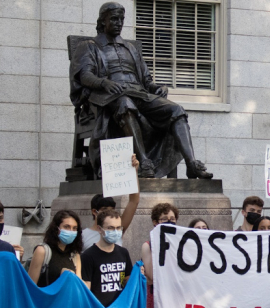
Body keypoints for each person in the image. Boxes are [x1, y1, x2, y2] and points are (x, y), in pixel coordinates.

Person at [70, 2, 212, 179]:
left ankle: (191, 163)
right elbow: (85, 76)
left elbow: (146, 80)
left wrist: (156, 87)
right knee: (125, 104)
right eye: (114, 19)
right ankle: (144, 163)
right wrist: (104, 83)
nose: (119, 23)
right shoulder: (89, 46)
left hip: (139, 93)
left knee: (177, 110)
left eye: (121, 19)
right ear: (102, 21)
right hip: (110, 96)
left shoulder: (130, 48)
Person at [82, 155, 140, 251]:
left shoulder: (117, 230)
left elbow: (134, 201)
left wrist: (134, 172)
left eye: (112, 210)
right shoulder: (83, 236)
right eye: (104, 210)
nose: (108, 214)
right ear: (94, 211)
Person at [81, 210, 133, 307]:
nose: (115, 231)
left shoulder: (123, 253)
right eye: (110, 228)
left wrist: (138, 275)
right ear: (99, 229)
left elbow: (126, 280)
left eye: (118, 228)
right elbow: (86, 289)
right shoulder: (88, 256)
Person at [27, 210, 84, 287]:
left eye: (74, 228)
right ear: (56, 228)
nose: (71, 231)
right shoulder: (42, 251)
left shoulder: (75, 254)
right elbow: (30, 286)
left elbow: (78, 286)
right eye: (67, 227)